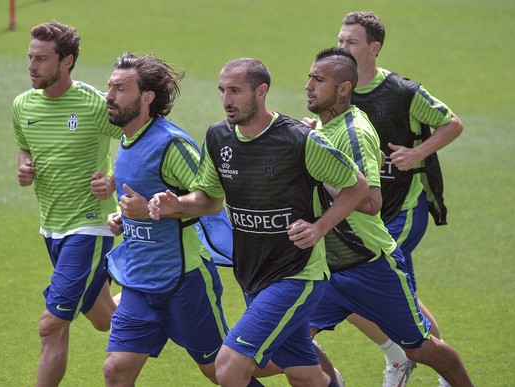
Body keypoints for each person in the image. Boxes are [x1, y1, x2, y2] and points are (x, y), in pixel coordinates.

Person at [148, 57, 370, 387]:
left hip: (297, 274)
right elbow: (210, 199)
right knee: (305, 375)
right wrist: (176, 204)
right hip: (252, 275)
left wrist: (320, 227)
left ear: (261, 91)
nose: (226, 100)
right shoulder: (218, 138)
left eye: (236, 91)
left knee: (228, 367)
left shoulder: (299, 140)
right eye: (222, 91)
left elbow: (358, 187)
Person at [304, 47, 472, 386]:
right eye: (309, 77)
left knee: (421, 348)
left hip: (370, 267)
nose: (308, 85)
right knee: (288, 340)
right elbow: (369, 157)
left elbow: (370, 202)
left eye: (318, 80)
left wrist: (321, 176)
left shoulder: (353, 133)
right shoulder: (328, 128)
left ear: (343, 89)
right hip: (329, 268)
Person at [101, 52, 241, 386]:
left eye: (120, 89)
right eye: (110, 87)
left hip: (184, 280)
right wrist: (124, 217)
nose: (109, 96)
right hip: (138, 281)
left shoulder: (171, 144)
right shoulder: (125, 140)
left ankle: (306, 366)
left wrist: (163, 206)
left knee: (221, 371)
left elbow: (211, 201)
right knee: (115, 370)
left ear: (146, 98)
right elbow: (141, 202)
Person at [12, 21, 122, 386]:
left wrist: (114, 181)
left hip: (89, 227)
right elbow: (25, 143)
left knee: (51, 325)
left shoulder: (95, 105)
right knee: (104, 319)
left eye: (41, 59)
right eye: (30, 57)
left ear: (67, 61)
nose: (31, 65)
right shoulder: (22, 105)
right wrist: (24, 165)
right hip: (51, 226)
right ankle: (154, 301)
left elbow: (142, 139)